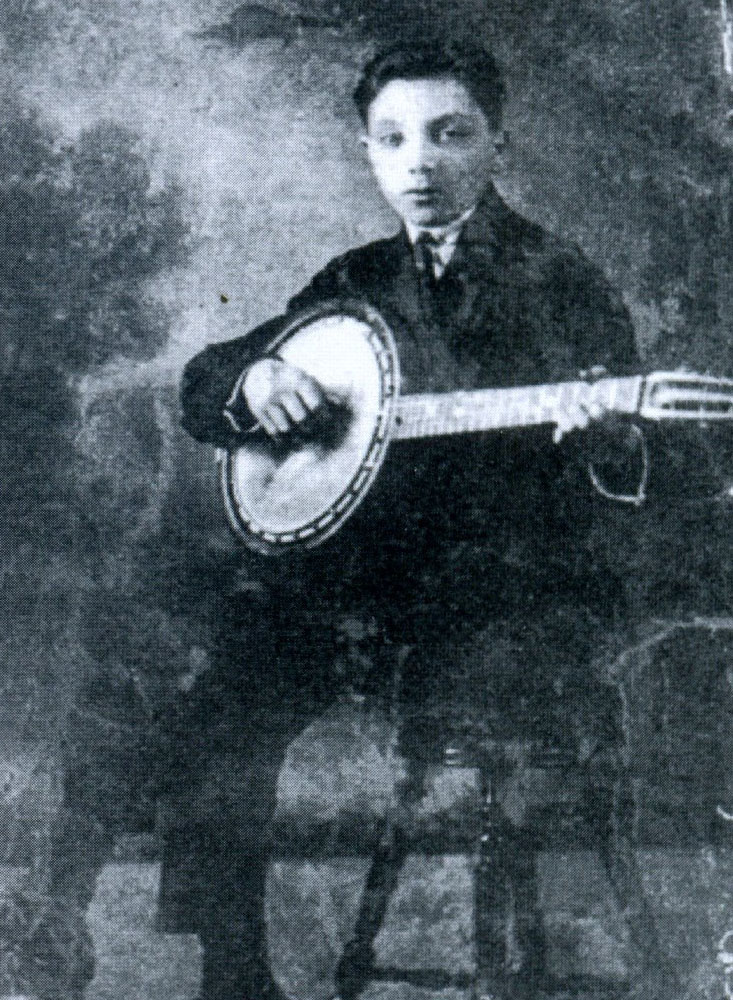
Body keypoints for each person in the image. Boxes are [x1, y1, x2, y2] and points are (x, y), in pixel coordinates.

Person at [172, 39, 675, 1000]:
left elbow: (617, 488)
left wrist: (602, 434)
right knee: (223, 694)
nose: (420, 164)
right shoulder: (353, 282)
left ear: (496, 144)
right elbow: (206, 385)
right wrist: (257, 376)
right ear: (366, 151)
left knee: (499, 699)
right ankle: (230, 971)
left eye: (450, 135)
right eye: (392, 139)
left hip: (502, 594)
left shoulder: (561, 280)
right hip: (359, 587)